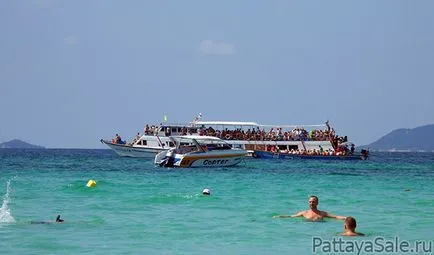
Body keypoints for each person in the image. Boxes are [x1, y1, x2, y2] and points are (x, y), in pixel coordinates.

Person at [273, 195, 346, 221]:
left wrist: (346, 218)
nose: (311, 203)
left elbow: (335, 217)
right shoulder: (304, 213)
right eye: (310, 202)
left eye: (313, 202)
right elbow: (291, 216)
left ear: (317, 203)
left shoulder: (322, 213)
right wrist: (279, 216)